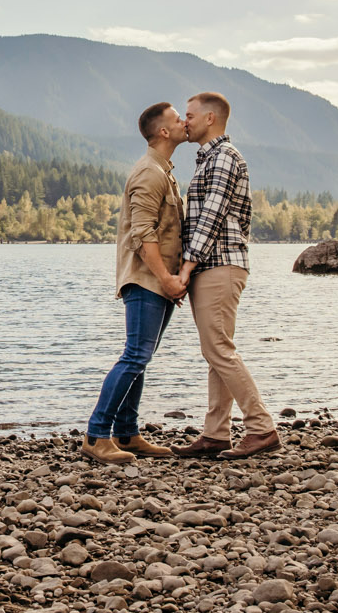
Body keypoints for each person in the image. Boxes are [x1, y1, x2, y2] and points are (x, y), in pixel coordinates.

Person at [169, 91, 278, 459]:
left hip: (219, 264)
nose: (186, 122)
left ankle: (261, 427)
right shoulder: (209, 159)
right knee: (216, 351)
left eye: (190, 115)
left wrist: (186, 266)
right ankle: (216, 433)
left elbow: (211, 218)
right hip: (213, 264)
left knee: (218, 349)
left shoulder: (224, 159)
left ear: (210, 118)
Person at [81, 101, 189, 465]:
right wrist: (166, 279)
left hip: (158, 281)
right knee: (135, 356)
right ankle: (97, 435)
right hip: (147, 280)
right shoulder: (149, 173)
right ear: (163, 131)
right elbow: (142, 236)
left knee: (140, 358)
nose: (184, 122)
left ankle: (126, 433)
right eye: (178, 119)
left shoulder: (163, 170)